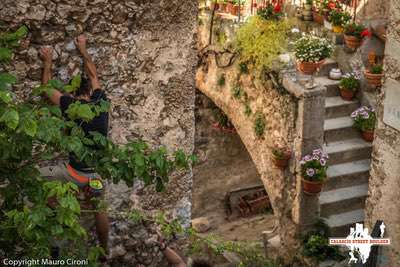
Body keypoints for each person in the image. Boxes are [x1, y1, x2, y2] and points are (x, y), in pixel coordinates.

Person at [39, 35, 110, 254]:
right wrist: (83, 49)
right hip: (95, 176)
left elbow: (47, 89)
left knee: (43, 177)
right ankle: (105, 250)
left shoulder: (70, 106)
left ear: (74, 94)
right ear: (90, 92)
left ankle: (54, 247)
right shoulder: (101, 103)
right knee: (99, 208)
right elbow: (93, 73)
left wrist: (48, 60)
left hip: (73, 173)